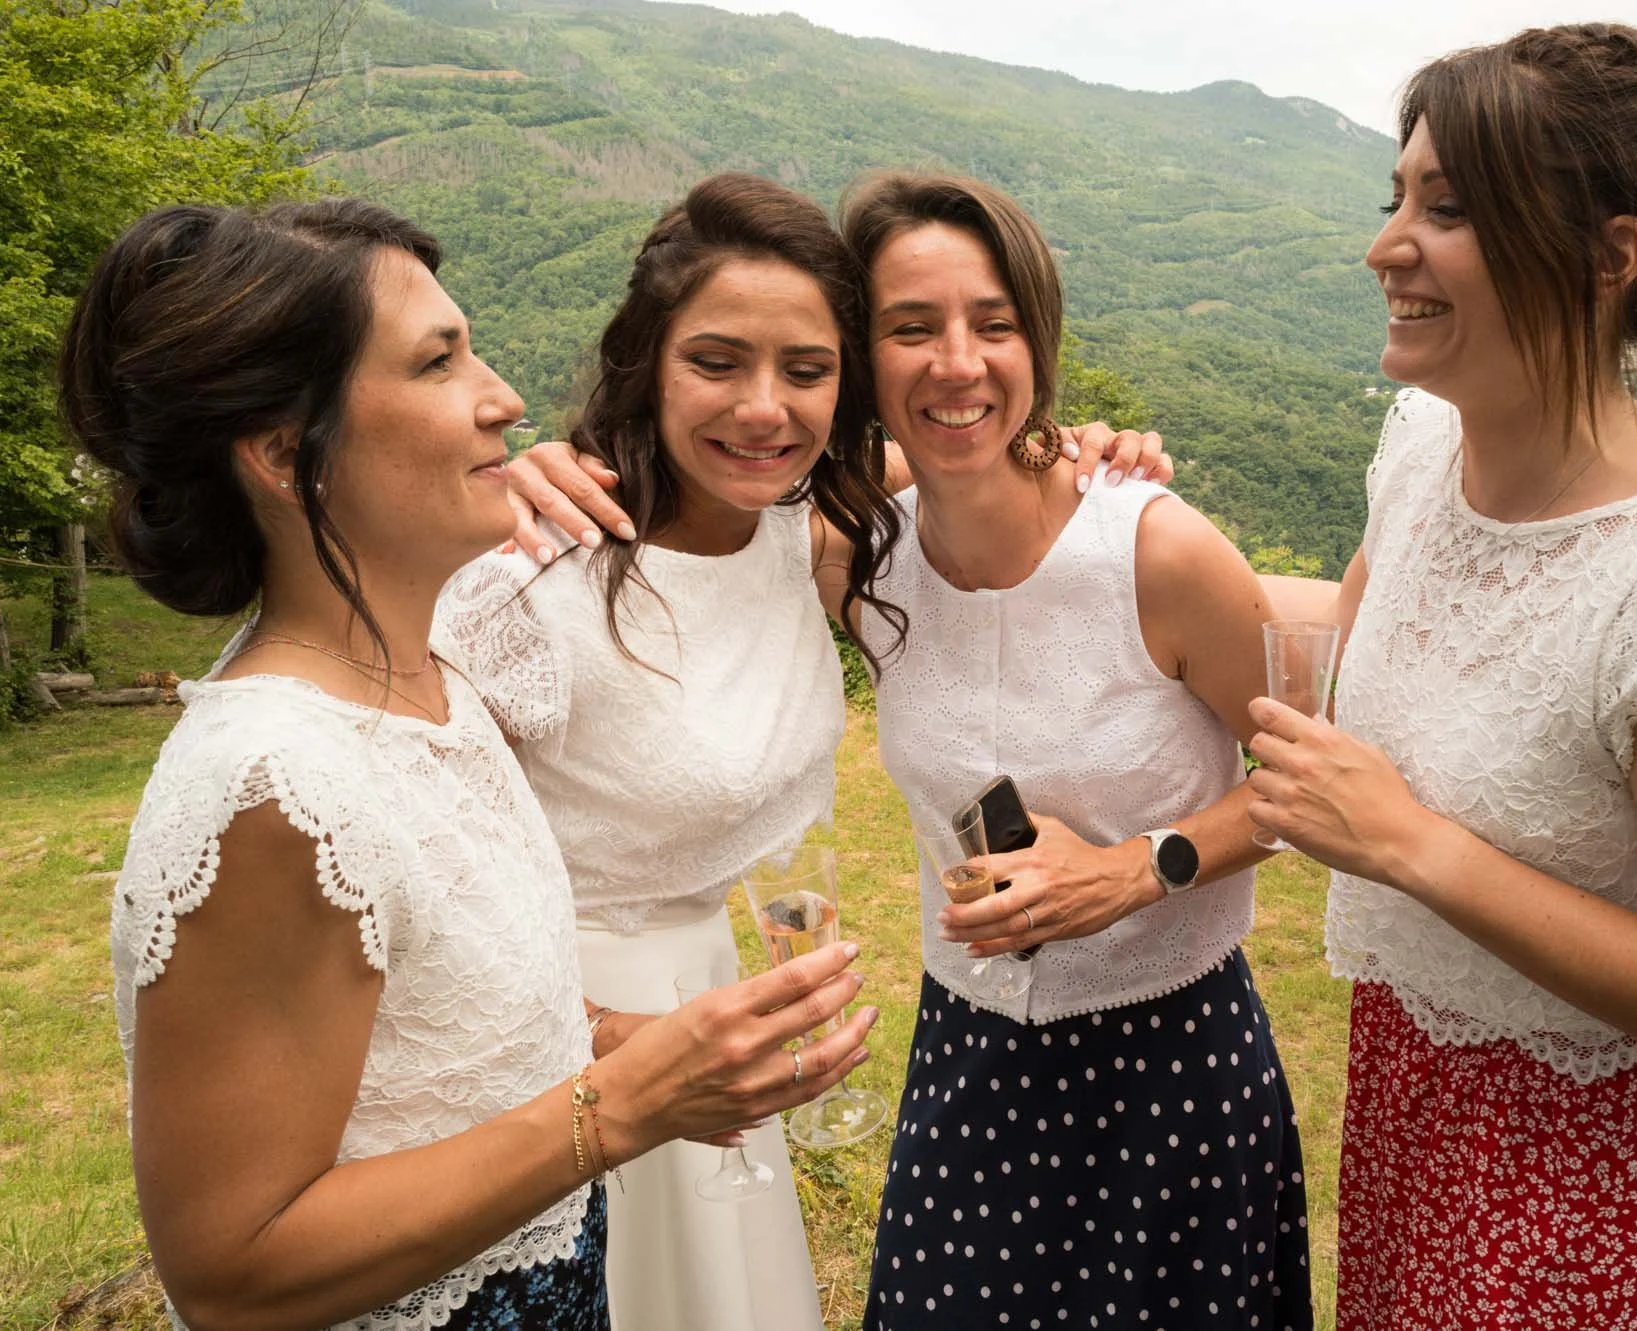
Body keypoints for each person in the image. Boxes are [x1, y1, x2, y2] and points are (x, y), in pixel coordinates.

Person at [65, 198, 874, 1330]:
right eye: (440, 363)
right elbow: (228, 1270)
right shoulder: (271, 785)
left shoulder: (429, 697)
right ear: (288, 455)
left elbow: (459, 1023)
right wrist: (622, 1099)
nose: (503, 398)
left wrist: (636, 1043)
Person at [452, 173, 1174, 1330]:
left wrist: (1078, 449)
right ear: (646, 360)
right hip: (557, 1041)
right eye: (716, 361)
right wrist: (601, 1036)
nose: (763, 409)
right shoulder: (534, 574)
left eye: (804, 369)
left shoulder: (800, 529)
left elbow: (975, 463)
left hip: (717, 1015)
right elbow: (418, 879)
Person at [1243, 24, 1637, 1328]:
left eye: (1446, 206)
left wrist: (1411, 843)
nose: (1385, 243)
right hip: (1412, 1102)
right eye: (1395, 196)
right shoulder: (1418, 448)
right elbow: (1355, 632)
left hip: (1595, 1177)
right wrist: (1100, 523)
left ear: (1609, 255)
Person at [841, 173, 1312, 1331]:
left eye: (992, 324)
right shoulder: (854, 557)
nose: (957, 361)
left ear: (1036, 342)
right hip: (967, 1056)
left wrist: (1138, 866)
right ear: (858, 356)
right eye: (910, 327)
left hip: (1173, 1071)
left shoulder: (1155, 550)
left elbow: (1306, 783)